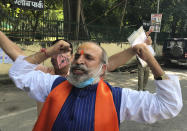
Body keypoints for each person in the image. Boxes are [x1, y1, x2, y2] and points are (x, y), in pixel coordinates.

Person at [9, 40, 182, 131]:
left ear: (103, 69)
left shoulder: (118, 99)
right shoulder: (53, 84)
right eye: (76, 56)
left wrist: (150, 60)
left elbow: (168, 105)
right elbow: (19, 73)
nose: (79, 61)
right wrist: (49, 52)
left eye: (88, 58)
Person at [0, 31, 74, 115]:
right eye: (56, 51)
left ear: (72, 57)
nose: (59, 56)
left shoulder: (78, 79)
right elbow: (20, 59)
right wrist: (46, 53)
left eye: (64, 51)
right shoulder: (44, 74)